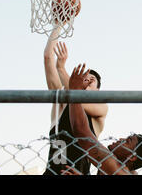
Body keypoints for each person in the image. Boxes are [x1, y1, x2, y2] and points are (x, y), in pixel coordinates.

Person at [61, 64, 142, 175]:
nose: (121, 139)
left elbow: (81, 131)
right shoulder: (129, 172)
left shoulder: (113, 164)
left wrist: (74, 92)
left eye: (127, 141)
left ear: (132, 156)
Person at [43, 28, 108, 175]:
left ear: (97, 91)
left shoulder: (101, 108)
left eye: (91, 80)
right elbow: (48, 57)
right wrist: (58, 24)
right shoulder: (62, 103)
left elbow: (75, 92)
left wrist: (62, 69)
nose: (86, 81)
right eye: (83, 79)